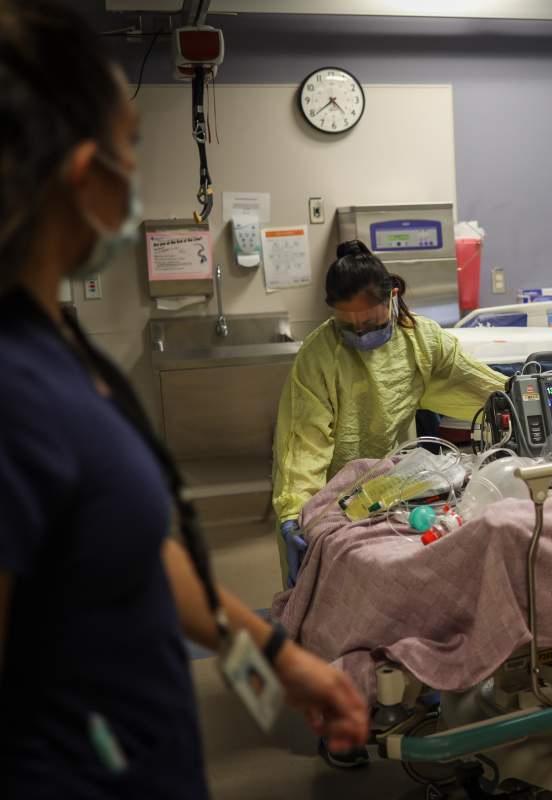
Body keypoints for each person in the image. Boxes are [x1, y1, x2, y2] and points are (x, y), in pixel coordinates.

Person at [0, 2, 368, 797]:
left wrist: (274, 657)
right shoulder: (15, 398)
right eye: (132, 148)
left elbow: (132, 550)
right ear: (81, 177)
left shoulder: (55, 344)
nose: (137, 175)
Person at [273, 241, 506, 586]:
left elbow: (474, 381)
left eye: (369, 321)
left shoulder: (421, 339)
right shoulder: (318, 356)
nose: (361, 332)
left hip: (392, 489)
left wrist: (522, 398)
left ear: (392, 296)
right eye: (348, 325)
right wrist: (295, 513)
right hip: (329, 497)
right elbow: (304, 440)